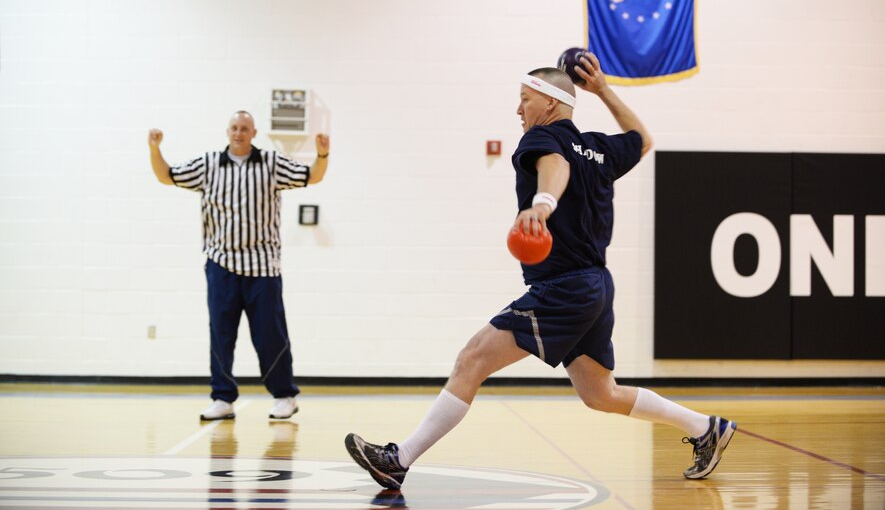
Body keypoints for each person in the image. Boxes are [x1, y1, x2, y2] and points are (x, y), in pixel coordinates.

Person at [344, 54, 735, 488]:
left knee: (472, 357)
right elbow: (642, 140)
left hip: (564, 285)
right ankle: (705, 428)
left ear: (549, 104)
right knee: (600, 393)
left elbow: (557, 166)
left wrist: (542, 204)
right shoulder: (600, 148)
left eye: (524, 99)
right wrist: (603, 90)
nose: (518, 110)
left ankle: (400, 459)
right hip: (595, 285)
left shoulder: (540, 139)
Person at [148, 111, 330, 421]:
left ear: (253, 132)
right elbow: (167, 176)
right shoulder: (208, 164)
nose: (238, 132)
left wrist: (322, 154)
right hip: (221, 263)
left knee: (270, 334)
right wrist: (155, 148)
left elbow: (312, 176)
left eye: (244, 128)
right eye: (234, 127)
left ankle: (284, 395)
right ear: (227, 131)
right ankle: (222, 398)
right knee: (221, 333)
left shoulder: (271, 163)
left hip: (263, 266)